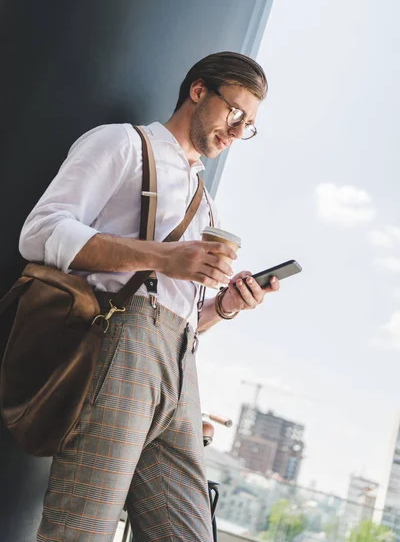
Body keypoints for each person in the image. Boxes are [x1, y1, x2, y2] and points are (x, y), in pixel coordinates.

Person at [19, 51, 280, 542]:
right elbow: (39, 233)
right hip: (119, 355)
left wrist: (225, 306)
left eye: (248, 125)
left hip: (180, 368)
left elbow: (178, 314)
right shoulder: (122, 144)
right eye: (235, 112)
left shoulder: (206, 202)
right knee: (81, 531)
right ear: (198, 91)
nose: (236, 130)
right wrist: (163, 256)